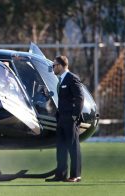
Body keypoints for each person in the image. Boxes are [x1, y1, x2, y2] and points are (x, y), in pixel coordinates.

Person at [45, 55, 84, 183]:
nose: (53, 68)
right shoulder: (60, 79)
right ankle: (60, 175)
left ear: (61, 66)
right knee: (61, 147)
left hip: (70, 118)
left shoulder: (72, 78)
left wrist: (75, 115)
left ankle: (75, 175)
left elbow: (79, 98)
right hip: (61, 117)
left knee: (73, 147)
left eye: (54, 65)